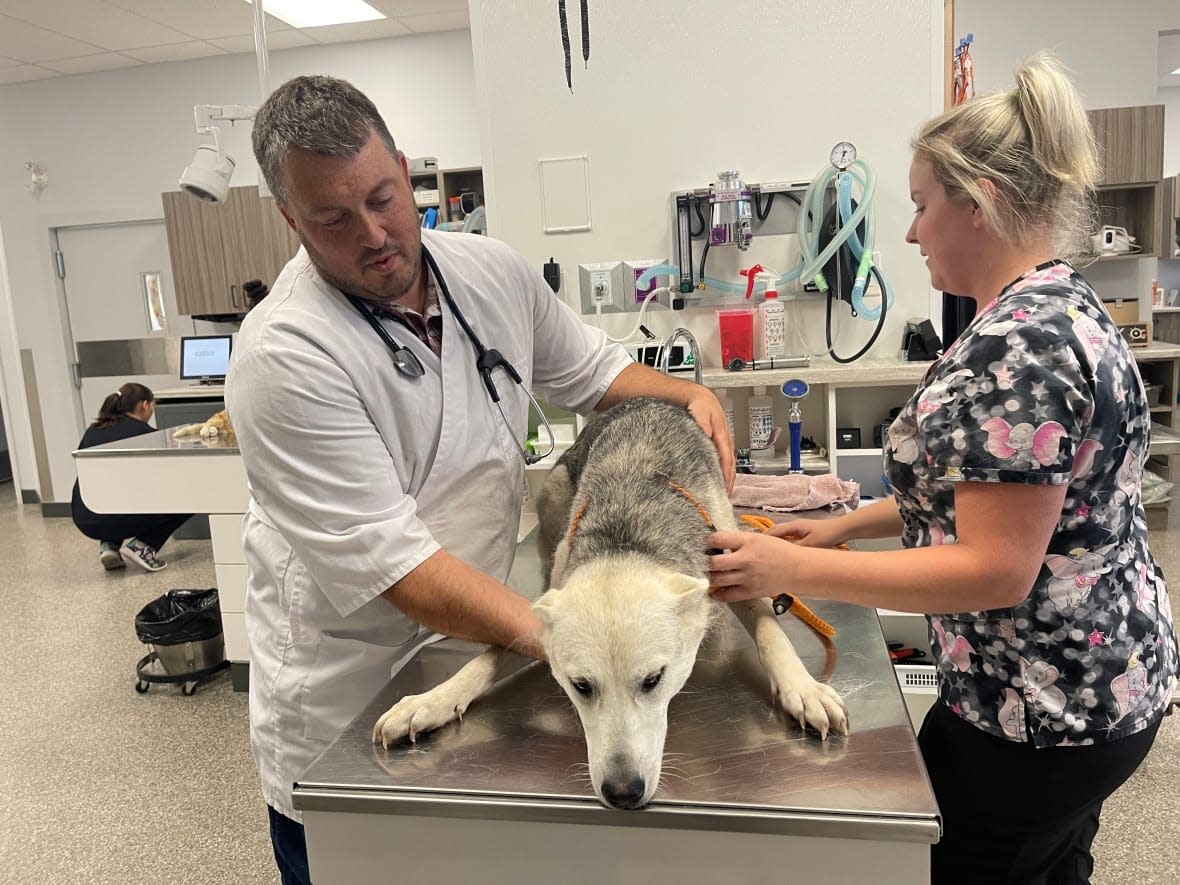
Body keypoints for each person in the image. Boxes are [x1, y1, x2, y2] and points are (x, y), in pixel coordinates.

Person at [227, 74, 733, 885]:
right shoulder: (282, 357)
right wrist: (581, 639)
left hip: (487, 649)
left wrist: (690, 393)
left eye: (385, 197)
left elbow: (596, 372)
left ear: (403, 167)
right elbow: (400, 566)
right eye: (332, 218)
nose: (375, 233)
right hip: (350, 690)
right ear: (290, 219)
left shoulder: (488, 271)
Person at [708, 53, 1177, 885]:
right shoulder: (1061, 302)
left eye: (923, 205)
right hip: (1104, 685)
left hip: (1041, 711)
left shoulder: (1020, 345)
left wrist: (790, 565)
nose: (913, 230)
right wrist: (848, 523)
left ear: (980, 205)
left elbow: (996, 567)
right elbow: (997, 493)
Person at [71, 383, 191, 572]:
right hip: (116, 517)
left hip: (85, 516)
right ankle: (144, 547)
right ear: (145, 405)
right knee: (189, 497)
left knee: (111, 490)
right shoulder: (146, 435)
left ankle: (109, 545)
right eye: (153, 406)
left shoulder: (94, 429)